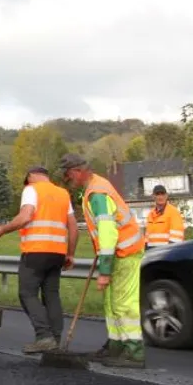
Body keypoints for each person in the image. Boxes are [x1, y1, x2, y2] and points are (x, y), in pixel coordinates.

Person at [59, 153, 146, 368]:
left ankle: (134, 351)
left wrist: (104, 271)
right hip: (116, 252)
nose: (67, 180)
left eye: (68, 175)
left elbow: (108, 232)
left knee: (123, 303)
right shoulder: (95, 187)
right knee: (111, 302)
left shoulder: (97, 193)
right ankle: (116, 345)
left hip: (125, 253)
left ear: (78, 171)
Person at [0, 166, 78, 353]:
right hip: (57, 253)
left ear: (31, 176)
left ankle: (44, 336)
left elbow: (25, 216)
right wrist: (70, 254)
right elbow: (73, 227)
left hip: (36, 251)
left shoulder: (31, 190)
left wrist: (1, 230)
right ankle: (55, 338)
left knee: (27, 293)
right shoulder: (62, 193)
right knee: (51, 295)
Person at [145, 184, 185, 248]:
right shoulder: (150, 214)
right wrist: (146, 248)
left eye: (162, 194)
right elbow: (148, 236)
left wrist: (170, 251)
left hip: (167, 250)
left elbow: (176, 237)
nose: (160, 197)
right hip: (152, 251)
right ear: (153, 196)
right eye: (157, 194)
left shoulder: (173, 212)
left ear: (166, 196)